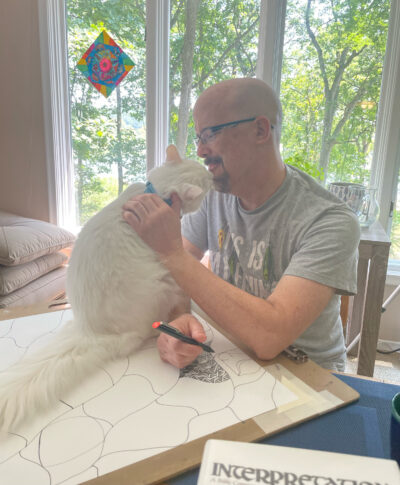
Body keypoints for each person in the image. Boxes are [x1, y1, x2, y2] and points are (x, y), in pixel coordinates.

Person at [122, 77, 360, 372]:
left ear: (260, 129)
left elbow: (270, 337)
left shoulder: (329, 220)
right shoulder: (213, 195)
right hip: (235, 356)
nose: (200, 150)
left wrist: (171, 254)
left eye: (209, 134)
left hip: (307, 374)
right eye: (198, 138)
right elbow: (175, 277)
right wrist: (179, 318)